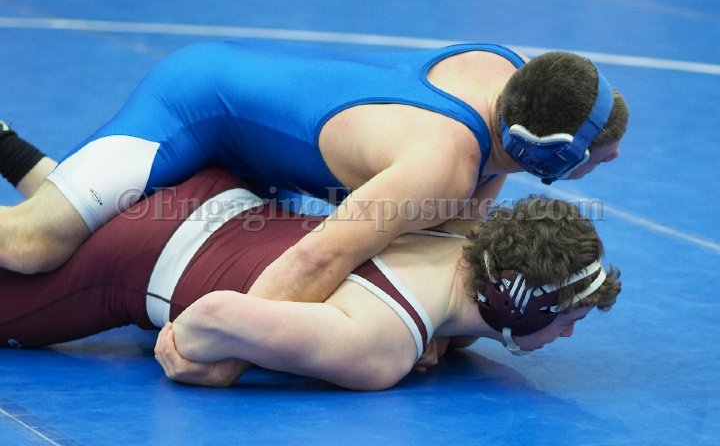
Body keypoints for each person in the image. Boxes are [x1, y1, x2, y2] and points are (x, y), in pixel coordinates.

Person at [0, 40, 628, 313]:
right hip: (195, 106)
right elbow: (315, 259)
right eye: (597, 155)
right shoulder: (440, 165)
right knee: (35, 245)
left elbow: (447, 243)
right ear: (547, 157)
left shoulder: (504, 79)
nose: (614, 159)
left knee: (94, 230)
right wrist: (223, 347)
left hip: (257, 155)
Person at [0, 162, 620, 390]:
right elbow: (213, 315)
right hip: (139, 261)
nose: (568, 334)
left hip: (217, 190)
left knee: (58, 224)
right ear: (517, 302)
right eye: (566, 319)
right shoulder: (382, 347)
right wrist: (203, 362)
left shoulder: (456, 228)